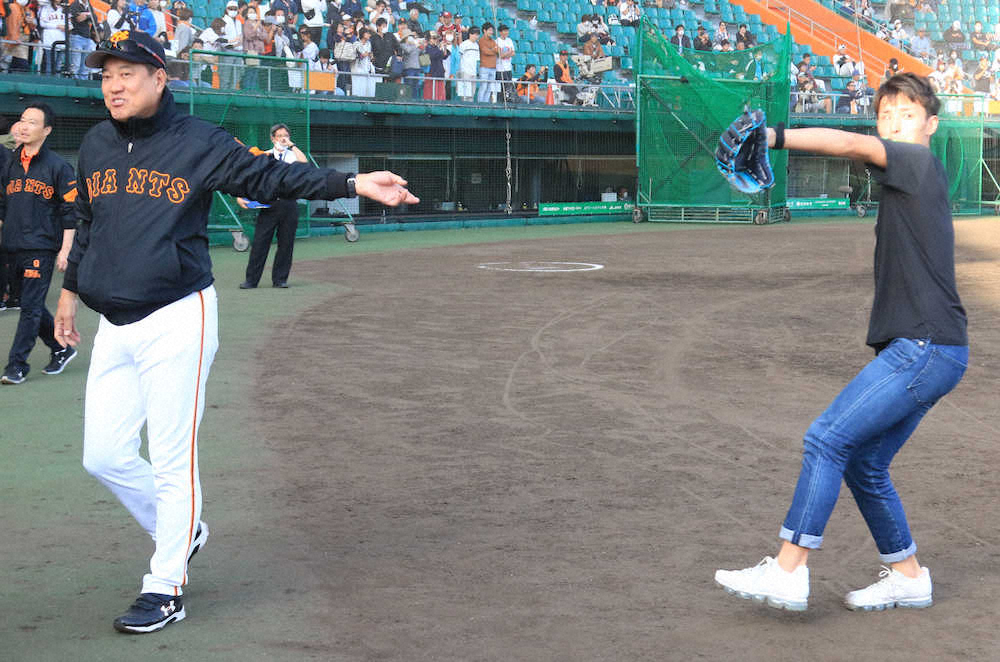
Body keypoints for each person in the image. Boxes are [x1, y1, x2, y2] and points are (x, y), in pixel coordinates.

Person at [57, 30, 417, 634]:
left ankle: (165, 585)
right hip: (113, 322)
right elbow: (87, 221)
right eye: (106, 76)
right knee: (104, 456)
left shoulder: (199, 141)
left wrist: (350, 184)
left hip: (178, 314)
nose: (113, 86)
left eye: (126, 74)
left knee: (172, 458)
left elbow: (269, 179)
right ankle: (184, 531)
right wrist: (70, 293)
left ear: (159, 78)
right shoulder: (95, 143)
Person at [715, 72, 968, 614]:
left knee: (826, 440)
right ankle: (909, 576)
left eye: (907, 114)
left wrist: (774, 136)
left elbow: (851, 144)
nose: (894, 123)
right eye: (886, 115)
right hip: (935, 350)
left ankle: (788, 570)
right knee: (863, 464)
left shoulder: (917, 163)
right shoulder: (908, 176)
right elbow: (860, 148)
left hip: (923, 347)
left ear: (931, 125)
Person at [0, 104, 78, 385]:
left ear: (46, 130)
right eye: (22, 120)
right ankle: (61, 347)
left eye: (32, 122)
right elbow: (2, 205)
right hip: (11, 246)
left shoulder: (59, 167)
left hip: (41, 248)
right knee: (29, 304)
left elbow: (71, 212)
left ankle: (16, 366)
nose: (24, 126)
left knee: (31, 307)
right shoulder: (9, 163)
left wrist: (66, 250)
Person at [238, 124, 307, 289]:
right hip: (268, 204)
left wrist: (292, 145)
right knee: (260, 242)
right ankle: (251, 280)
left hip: (289, 203)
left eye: (286, 135)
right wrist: (241, 196)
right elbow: (251, 178)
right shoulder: (265, 155)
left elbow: (304, 163)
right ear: (272, 138)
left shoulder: (293, 156)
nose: (283, 139)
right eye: (279, 136)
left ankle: (280, 279)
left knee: (286, 244)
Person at [457, 25, 480, 101]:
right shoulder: (464, 44)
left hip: (473, 72)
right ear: (470, 34)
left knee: (472, 94)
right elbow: (459, 57)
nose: (476, 36)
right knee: (464, 95)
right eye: (475, 34)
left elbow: (477, 60)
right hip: (465, 72)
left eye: (478, 35)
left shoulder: (477, 46)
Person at [477, 22, 498, 103]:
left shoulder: (493, 41)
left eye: (492, 30)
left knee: (490, 88)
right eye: (489, 30)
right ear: (484, 31)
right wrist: (493, 50)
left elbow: (498, 50)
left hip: (493, 68)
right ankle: (480, 104)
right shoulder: (481, 41)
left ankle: (485, 103)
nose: (491, 32)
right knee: (483, 86)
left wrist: (492, 50)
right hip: (484, 67)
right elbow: (486, 52)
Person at [495, 24, 515, 103]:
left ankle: (507, 102)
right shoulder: (497, 41)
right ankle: (499, 102)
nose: (506, 32)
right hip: (500, 69)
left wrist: (506, 54)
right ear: (500, 32)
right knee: (500, 88)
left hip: (508, 68)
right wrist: (508, 53)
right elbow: (500, 55)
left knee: (508, 88)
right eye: (504, 31)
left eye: (507, 31)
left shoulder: (509, 40)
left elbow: (513, 53)